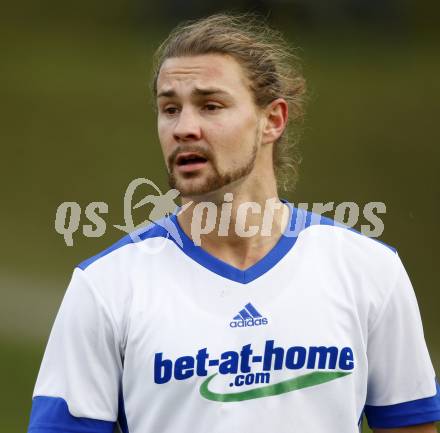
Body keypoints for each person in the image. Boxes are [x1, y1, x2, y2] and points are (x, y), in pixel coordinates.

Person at [27, 14, 440, 433]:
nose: (184, 128)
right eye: (170, 109)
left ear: (273, 120)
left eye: (210, 105)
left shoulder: (369, 271)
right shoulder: (105, 288)